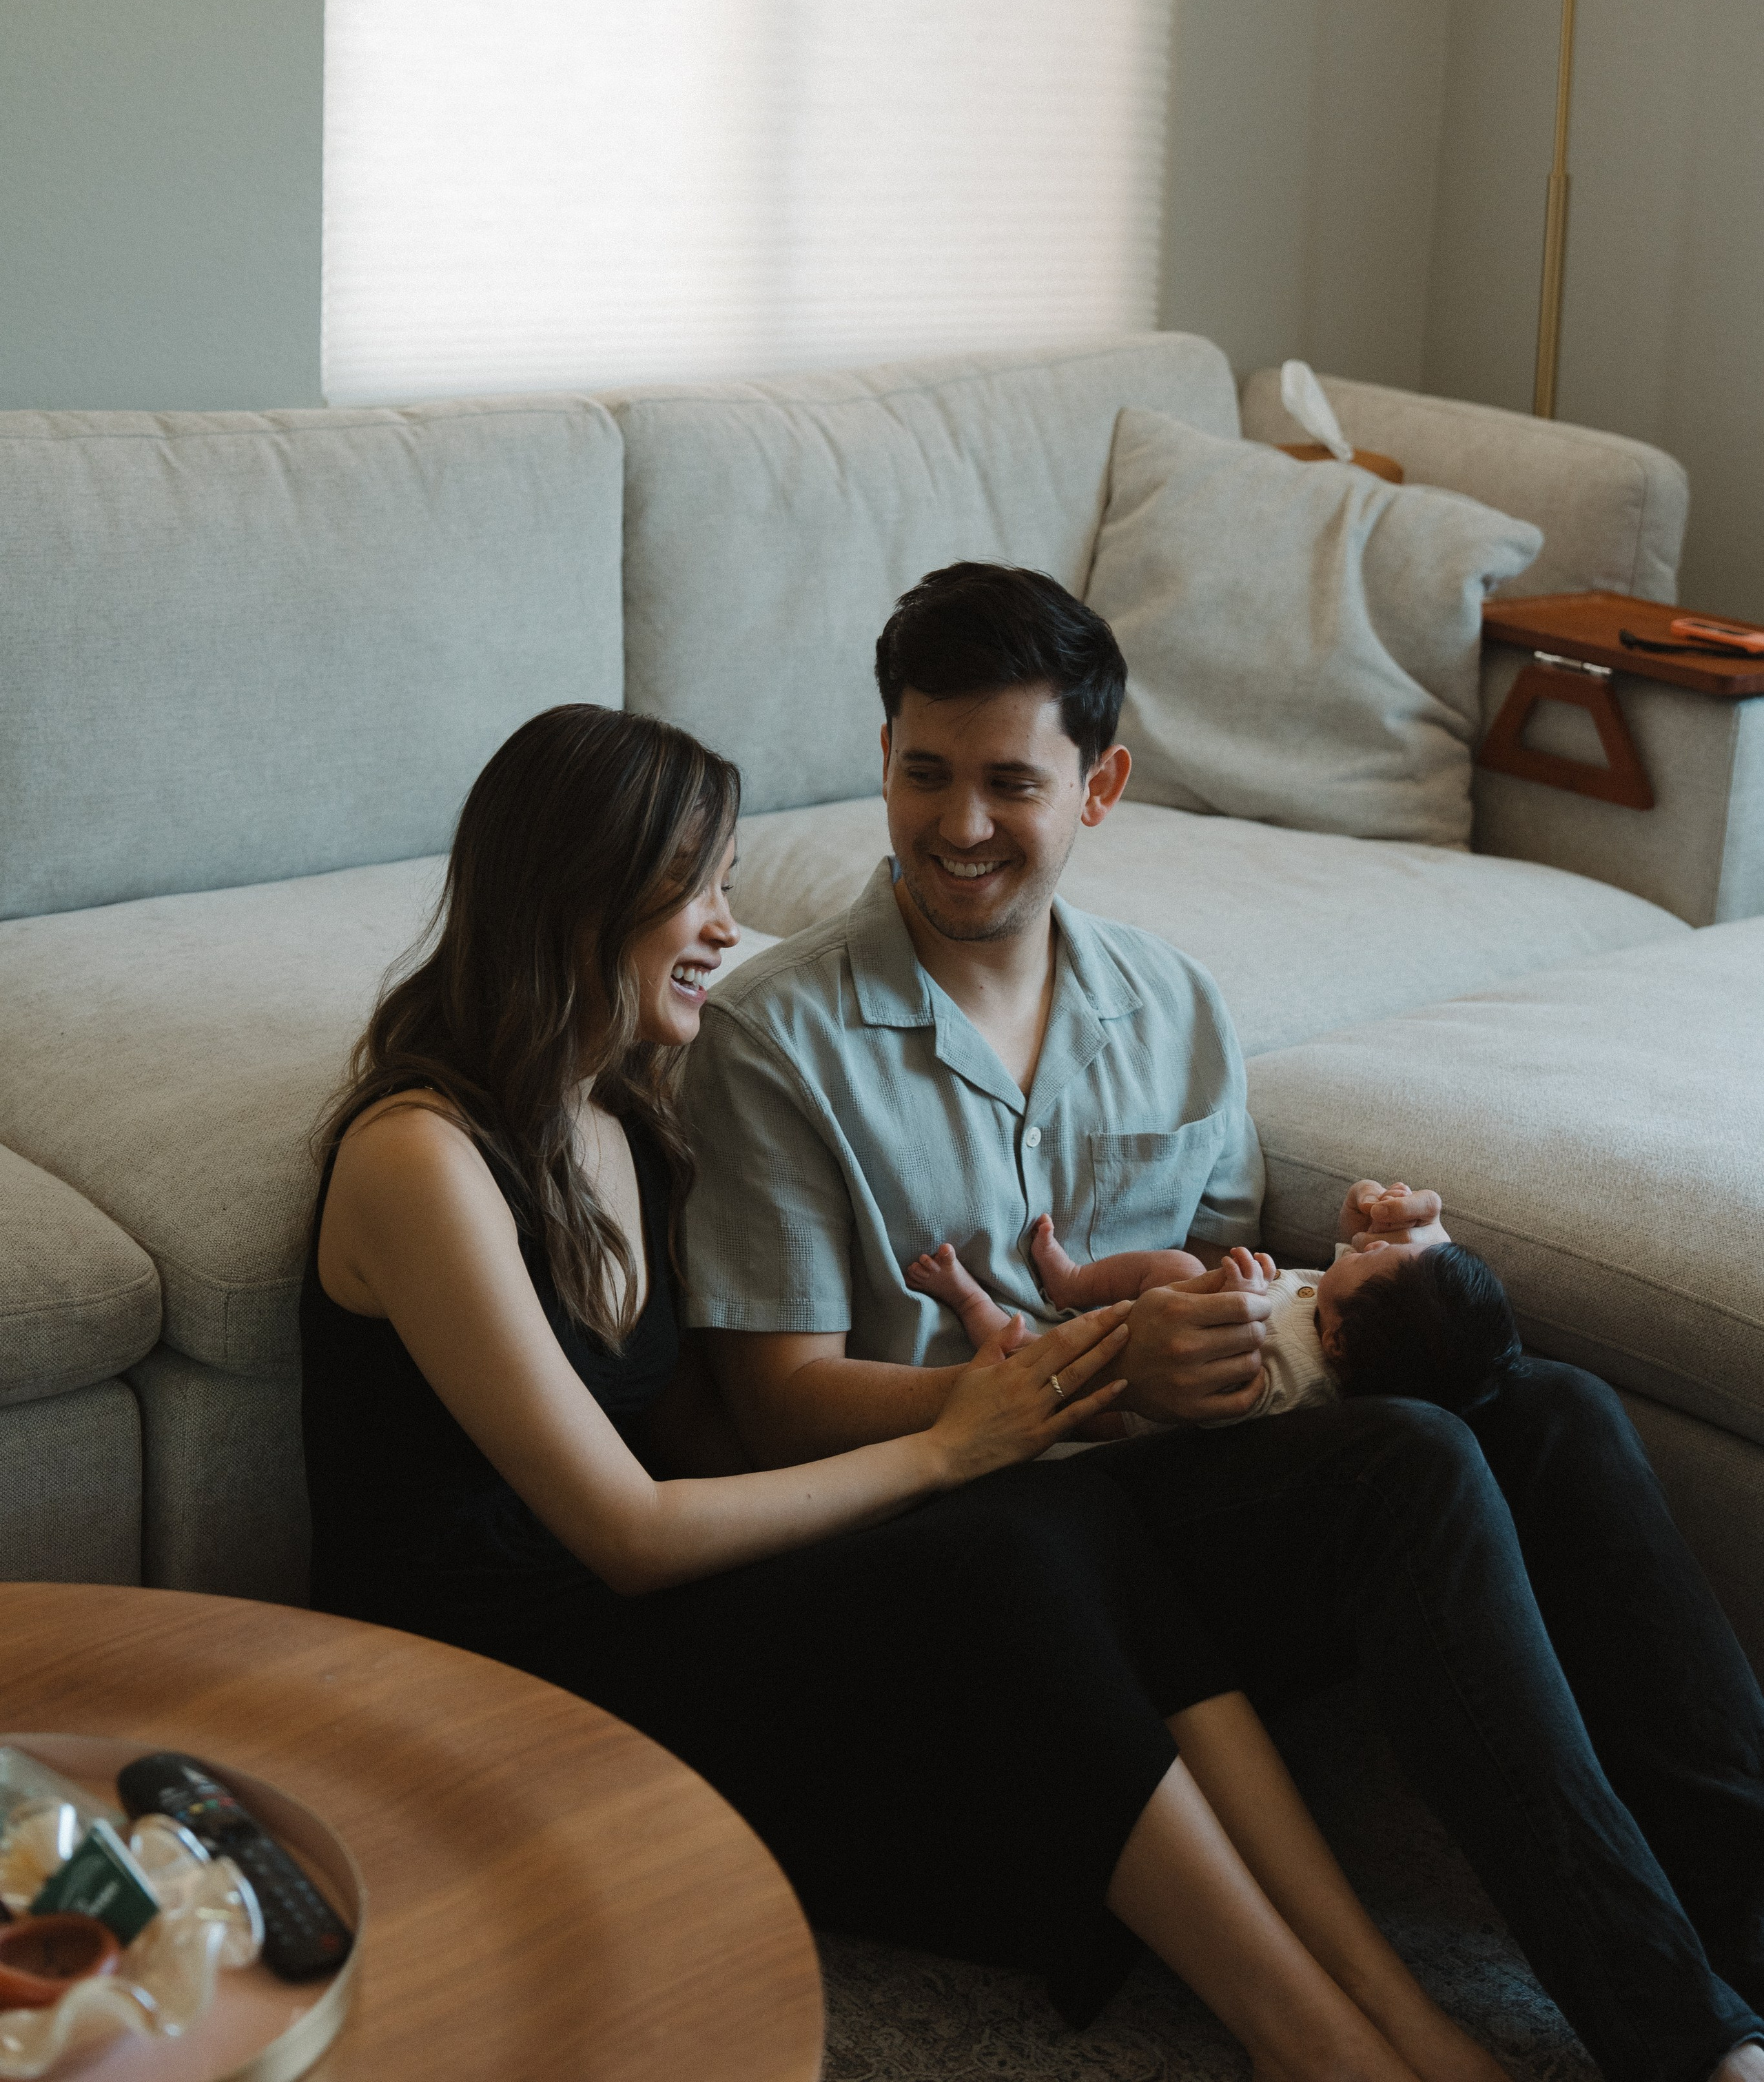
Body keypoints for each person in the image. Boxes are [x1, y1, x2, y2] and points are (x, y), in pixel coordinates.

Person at [300, 702, 1516, 2082]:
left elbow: (689, 1434)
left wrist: (1009, 1407)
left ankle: (1389, 2008)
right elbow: (626, 1531)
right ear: (573, 900)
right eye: (689, 893)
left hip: (627, 1616)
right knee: (998, 1540)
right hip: (491, 1681)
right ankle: (1313, 2044)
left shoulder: (621, 1117)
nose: (722, 929)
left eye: (728, 889)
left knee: (1065, 1520)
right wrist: (948, 1447)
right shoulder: (421, 1159)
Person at [679, 561, 1764, 2082]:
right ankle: (1685, 2046)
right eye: (923, 773)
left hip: (1176, 1511)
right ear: (882, 758)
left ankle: (1750, 1941)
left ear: (1099, 785)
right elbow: (770, 1406)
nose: (958, 824)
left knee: (1550, 1413)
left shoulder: (1177, 1011)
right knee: (1408, 1471)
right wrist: (1102, 1375)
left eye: (1009, 782)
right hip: (973, 1545)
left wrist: (1315, 1307)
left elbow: (1225, 1286)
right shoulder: (772, 1042)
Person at [906, 1181, 1524, 1421]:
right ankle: (1070, 1284)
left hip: (1133, 1405)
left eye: (1366, 1256)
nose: (1358, 1246)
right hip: (1158, 1326)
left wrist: (1246, 1300)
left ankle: (968, 1302)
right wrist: (1364, 1232)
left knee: (1037, 1364)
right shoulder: (1355, 1327)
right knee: (1176, 1266)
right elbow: (1349, 1289)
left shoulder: (1301, 1381)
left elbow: (1238, 1394)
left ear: (1335, 1342)